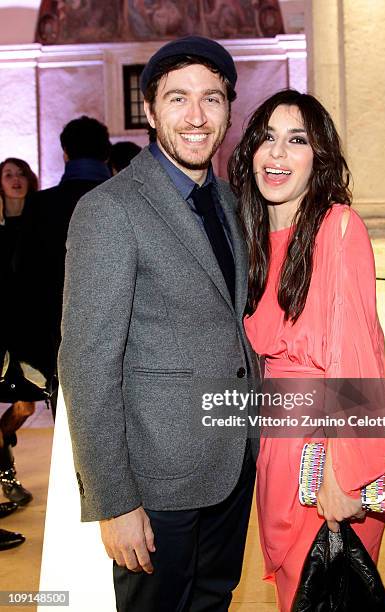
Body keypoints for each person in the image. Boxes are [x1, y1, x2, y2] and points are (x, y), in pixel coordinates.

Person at [58, 36, 259, 612]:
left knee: (213, 601)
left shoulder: (229, 199)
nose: (196, 117)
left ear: (228, 109)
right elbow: (87, 362)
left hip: (231, 459)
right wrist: (114, 501)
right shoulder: (109, 210)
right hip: (155, 483)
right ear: (150, 110)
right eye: (178, 99)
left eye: (212, 99)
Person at [228, 89, 385, 611]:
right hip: (278, 446)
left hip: (326, 451)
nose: (277, 155)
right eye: (267, 139)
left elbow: (358, 356)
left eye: (296, 141)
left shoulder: (337, 228)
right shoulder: (251, 239)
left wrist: (343, 472)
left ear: (317, 159)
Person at [13, 116, 112, 417]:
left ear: (65, 154)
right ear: (106, 153)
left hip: (60, 339)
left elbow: (24, 276)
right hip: (119, 338)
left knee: (69, 440)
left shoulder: (40, 205)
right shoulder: (125, 201)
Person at [0, 158, 42, 508]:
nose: (15, 180)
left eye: (20, 174)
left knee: (25, 405)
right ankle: (7, 477)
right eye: (8, 175)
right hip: (1, 327)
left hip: (31, 330)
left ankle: (2, 439)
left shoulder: (40, 219)